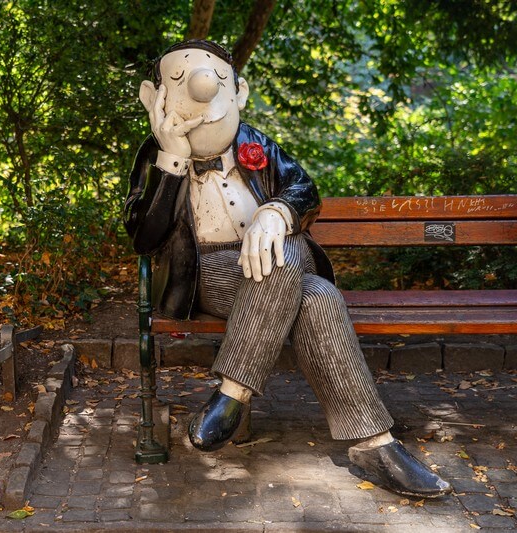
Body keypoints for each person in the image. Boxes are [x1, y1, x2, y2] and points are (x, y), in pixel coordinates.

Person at [123, 39, 450, 498]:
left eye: (217, 81)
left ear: (238, 93)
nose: (200, 89)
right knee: (297, 274)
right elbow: (144, 236)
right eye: (179, 81)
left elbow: (303, 188)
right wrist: (173, 159)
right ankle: (375, 444)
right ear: (153, 98)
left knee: (315, 294)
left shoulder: (256, 144)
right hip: (208, 274)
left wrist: (275, 213)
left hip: (275, 265)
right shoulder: (153, 160)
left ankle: (243, 395)